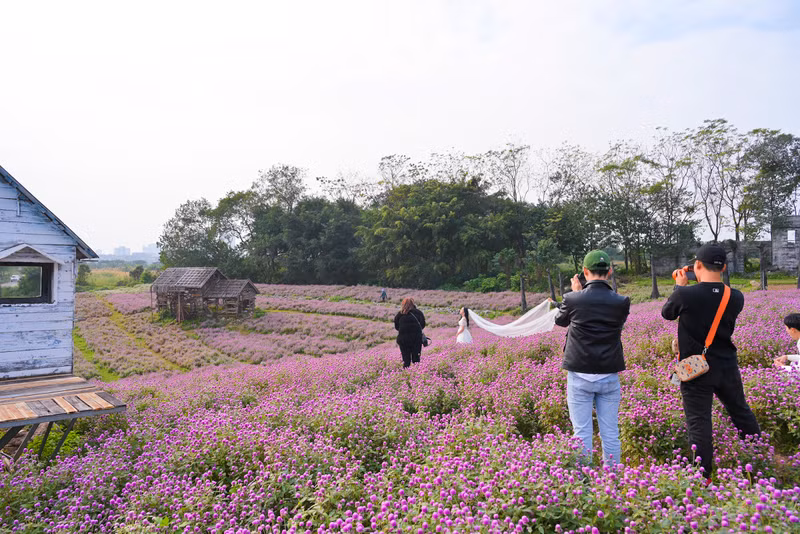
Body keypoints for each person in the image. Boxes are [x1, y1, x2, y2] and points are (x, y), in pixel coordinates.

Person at [661, 243, 761, 480]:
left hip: (696, 369)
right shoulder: (736, 296)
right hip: (727, 365)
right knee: (740, 411)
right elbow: (712, 299)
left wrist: (679, 286)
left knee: (699, 421)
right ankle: (760, 455)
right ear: (724, 267)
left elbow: (668, 313)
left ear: (696, 265)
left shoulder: (685, 294)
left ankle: (702, 476)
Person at [555, 250, 630, 466]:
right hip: (608, 374)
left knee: (581, 432)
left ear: (585, 272)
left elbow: (560, 321)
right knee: (610, 433)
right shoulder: (621, 301)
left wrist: (575, 293)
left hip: (580, 375)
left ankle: (583, 483)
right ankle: (612, 481)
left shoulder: (573, 299)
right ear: (610, 271)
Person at [394, 297, 425, 368]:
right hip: (416, 339)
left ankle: (406, 375)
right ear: (413, 304)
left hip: (403, 340)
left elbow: (396, 327)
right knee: (416, 360)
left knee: (406, 361)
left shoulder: (399, 314)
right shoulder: (418, 313)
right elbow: (422, 325)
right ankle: (416, 375)